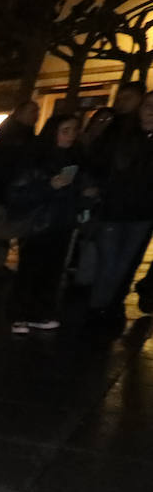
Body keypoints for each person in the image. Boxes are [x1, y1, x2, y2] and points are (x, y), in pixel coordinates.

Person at [6, 113, 97, 334]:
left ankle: (40, 313)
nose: (70, 136)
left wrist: (84, 194)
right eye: (65, 131)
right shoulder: (35, 158)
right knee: (30, 270)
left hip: (63, 223)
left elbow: (78, 191)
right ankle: (19, 315)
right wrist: (49, 186)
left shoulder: (76, 158)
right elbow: (18, 194)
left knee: (53, 271)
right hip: (37, 224)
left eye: (74, 131)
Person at [88, 92, 153, 327]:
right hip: (113, 210)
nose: (151, 110)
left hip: (142, 214)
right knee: (109, 263)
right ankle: (98, 309)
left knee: (125, 264)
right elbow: (99, 164)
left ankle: (109, 306)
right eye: (148, 105)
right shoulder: (121, 135)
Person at [0, 101, 40, 275]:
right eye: (32, 111)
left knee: (1, 231)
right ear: (20, 113)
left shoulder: (25, 137)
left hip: (11, 193)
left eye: (37, 111)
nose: (35, 115)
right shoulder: (12, 138)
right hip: (3, 192)